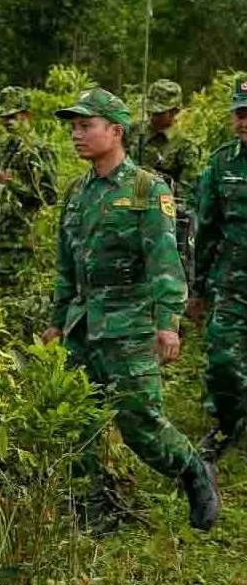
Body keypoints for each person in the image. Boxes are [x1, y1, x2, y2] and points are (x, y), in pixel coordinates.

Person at [40, 88, 218, 533]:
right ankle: (97, 510)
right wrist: (56, 321)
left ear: (115, 131)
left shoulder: (146, 188)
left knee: (139, 422)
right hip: (83, 323)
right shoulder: (76, 193)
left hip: (129, 323)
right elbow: (68, 265)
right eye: (74, 127)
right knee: (78, 420)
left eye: (86, 126)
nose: (77, 135)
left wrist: (167, 323)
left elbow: (163, 259)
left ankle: (193, 470)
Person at [191, 76, 247, 463]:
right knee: (224, 360)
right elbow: (206, 229)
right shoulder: (221, 163)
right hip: (233, 280)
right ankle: (227, 422)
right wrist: (196, 290)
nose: (244, 121)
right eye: (239, 114)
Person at [0, 86, 60, 321]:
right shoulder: (1, 146)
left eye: (13, 116)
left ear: (27, 116)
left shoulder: (40, 150)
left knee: (16, 302)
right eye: (4, 117)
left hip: (20, 241)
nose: (7, 122)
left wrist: (14, 183)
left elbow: (49, 196)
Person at [131, 79, 202, 261]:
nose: (153, 116)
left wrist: (156, 180)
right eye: (151, 110)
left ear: (175, 112)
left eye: (160, 112)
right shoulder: (133, 133)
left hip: (161, 219)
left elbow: (187, 195)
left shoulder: (185, 147)